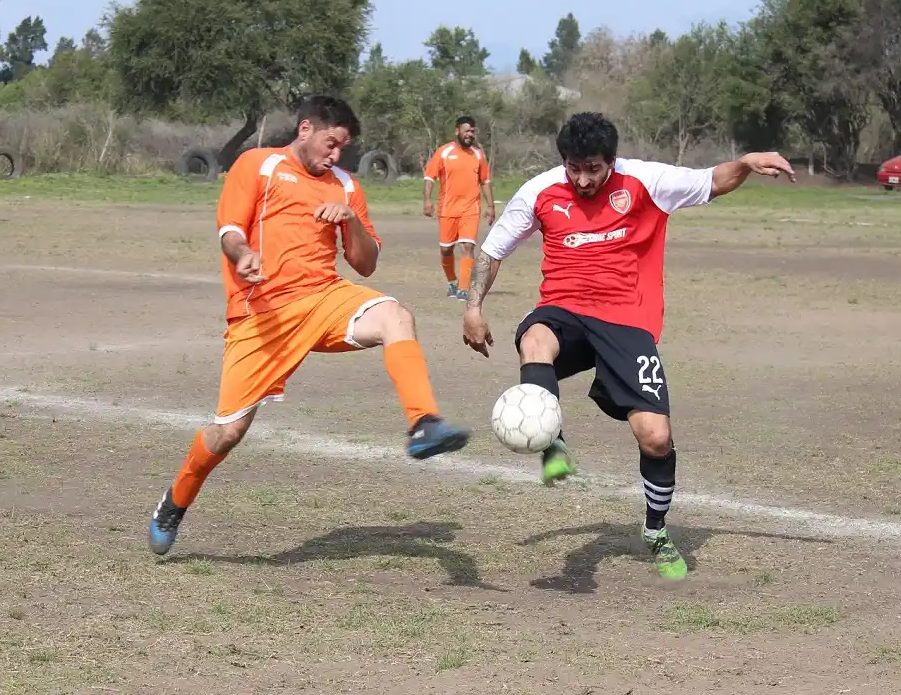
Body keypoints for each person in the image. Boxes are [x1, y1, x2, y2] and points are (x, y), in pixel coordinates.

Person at [461, 112, 795, 581]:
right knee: (535, 338)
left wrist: (745, 161)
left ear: (611, 161)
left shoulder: (644, 180)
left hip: (626, 321)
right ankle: (552, 442)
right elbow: (493, 250)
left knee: (656, 438)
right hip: (564, 309)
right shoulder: (540, 192)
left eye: (593, 169)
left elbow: (711, 182)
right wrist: (474, 308)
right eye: (574, 167)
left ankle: (656, 529)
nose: (582, 179)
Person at [148, 95, 471, 556]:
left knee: (398, 316)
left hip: (323, 299)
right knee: (227, 434)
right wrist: (243, 257)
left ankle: (423, 423)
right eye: (331, 143)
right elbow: (229, 232)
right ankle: (175, 503)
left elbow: (366, 264)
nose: (335, 155)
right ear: (305, 130)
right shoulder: (257, 165)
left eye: (343, 148)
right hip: (261, 317)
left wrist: (351, 220)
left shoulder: (344, 186)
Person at [423, 116, 495, 300]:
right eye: (466, 131)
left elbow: (485, 181)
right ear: (457, 131)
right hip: (448, 209)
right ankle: (452, 282)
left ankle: (463, 288)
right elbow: (429, 178)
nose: (470, 134)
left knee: (467, 246)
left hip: (471, 209)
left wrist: (491, 206)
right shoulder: (444, 152)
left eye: (472, 131)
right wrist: (427, 201)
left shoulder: (478, 154)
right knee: (446, 250)